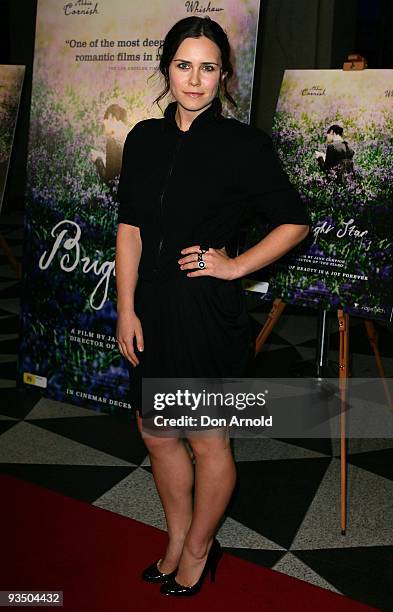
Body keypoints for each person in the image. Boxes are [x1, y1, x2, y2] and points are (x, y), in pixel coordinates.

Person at [115, 16, 309, 597]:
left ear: (224, 75)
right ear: (166, 67)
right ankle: (177, 537)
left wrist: (234, 265)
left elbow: (295, 222)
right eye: (182, 65)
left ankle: (201, 548)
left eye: (207, 67)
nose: (194, 80)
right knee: (156, 433)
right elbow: (129, 228)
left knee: (205, 439)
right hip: (149, 306)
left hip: (204, 312)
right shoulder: (144, 137)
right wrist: (126, 308)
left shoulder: (243, 144)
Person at [91, 103, 128, 183]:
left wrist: (98, 161)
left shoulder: (112, 142)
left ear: (111, 117)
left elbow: (110, 180)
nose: (104, 123)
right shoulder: (127, 136)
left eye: (105, 120)